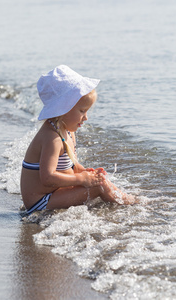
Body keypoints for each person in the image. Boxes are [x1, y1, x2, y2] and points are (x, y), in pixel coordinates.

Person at [20, 65, 135, 215]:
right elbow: (47, 178)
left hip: (53, 193)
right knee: (98, 187)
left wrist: (84, 172)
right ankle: (130, 205)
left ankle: (125, 201)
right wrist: (81, 179)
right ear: (63, 108)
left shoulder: (66, 131)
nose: (85, 117)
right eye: (82, 111)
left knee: (100, 181)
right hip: (39, 202)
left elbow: (69, 165)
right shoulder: (52, 138)